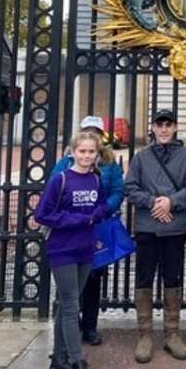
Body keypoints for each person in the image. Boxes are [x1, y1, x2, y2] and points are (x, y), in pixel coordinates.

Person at [124, 109, 186, 363]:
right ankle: (145, 334)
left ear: (175, 127)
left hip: (175, 225)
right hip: (148, 224)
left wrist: (171, 202)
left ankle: (171, 333)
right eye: (160, 125)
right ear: (153, 128)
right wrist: (156, 202)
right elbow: (130, 187)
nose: (164, 129)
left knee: (172, 276)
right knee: (144, 277)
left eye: (168, 124)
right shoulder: (141, 157)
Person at [35, 131, 107, 369]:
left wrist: (95, 214)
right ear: (73, 152)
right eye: (82, 151)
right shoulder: (61, 179)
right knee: (71, 304)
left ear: (97, 153)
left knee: (66, 304)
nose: (87, 156)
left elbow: (101, 206)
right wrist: (79, 219)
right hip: (62, 248)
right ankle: (77, 361)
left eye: (91, 152)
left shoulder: (96, 180)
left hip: (85, 248)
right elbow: (42, 214)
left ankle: (58, 361)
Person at [50, 115, 125, 346]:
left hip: (98, 227)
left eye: (96, 132)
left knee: (93, 279)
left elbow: (117, 190)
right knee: (69, 285)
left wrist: (102, 210)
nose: (92, 135)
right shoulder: (66, 161)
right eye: (87, 130)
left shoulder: (110, 163)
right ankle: (69, 331)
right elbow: (54, 190)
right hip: (71, 230)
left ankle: (90, 326)